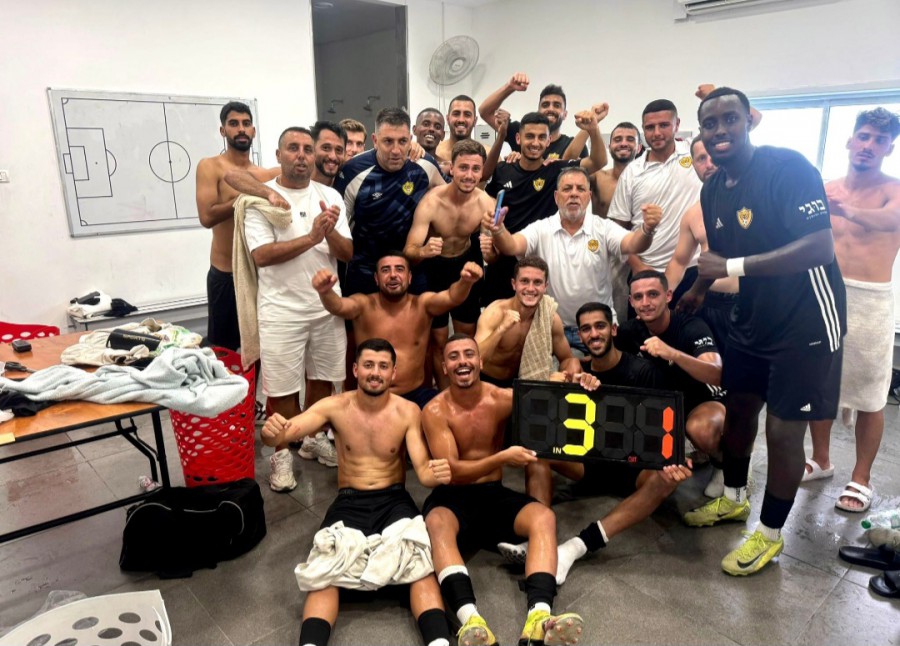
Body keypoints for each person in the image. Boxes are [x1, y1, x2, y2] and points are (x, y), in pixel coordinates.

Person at [683, 87, 846, 577]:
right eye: (710, 124)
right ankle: (734, 499)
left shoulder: (787, 168)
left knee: (782, 429)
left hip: (806, 321)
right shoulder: (714, 187)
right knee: (739, 411)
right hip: (753, 317)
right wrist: (697, 289)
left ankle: (770, 532)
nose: (720, 131)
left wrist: (729, 267)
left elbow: (819, 247)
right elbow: (718, 254)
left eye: (729, 119)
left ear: (749, 121)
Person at [261, 338, 455, 646]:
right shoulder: (334, 406)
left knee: (420, 564)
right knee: (323, 571)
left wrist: (436, 474)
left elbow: (422, 470)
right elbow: (287, 432)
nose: (375, 372)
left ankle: (439, 643)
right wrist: (272, 433)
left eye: (383, 366)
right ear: (355, 369)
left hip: (394, 499)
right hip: (349, 500)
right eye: (368, 365)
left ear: (393, 372)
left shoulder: (408, 411)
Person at [497, 302, 692, 584]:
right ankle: (537, 539)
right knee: (535, 451)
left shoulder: (644, 371)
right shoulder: (579, 373)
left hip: (633, 470)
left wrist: (675, 458)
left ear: (613, 329)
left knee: (666, 479)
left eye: (600, 326)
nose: (594, 334)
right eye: (586, 329)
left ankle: (577, 546)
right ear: (579, 335)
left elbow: (666, 428)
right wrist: (557, 385)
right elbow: (543, 418)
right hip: (588, 465)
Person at [422, 334, 587, 646]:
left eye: (469, 354)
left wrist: (580, 383)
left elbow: (554, 403)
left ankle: (539, 617)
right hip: (453, 496)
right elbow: (452, 471)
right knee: (437, 523)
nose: (462, 362)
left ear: (480, 361)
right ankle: (471, 621)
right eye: (453, 357)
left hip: (492, 494)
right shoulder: (435, 411)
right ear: (444, 367)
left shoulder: (503, 398)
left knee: (543, 517)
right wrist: (502, 457)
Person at [244, 126, 353, 492]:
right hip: (281, 311)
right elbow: (262, 255)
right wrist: (311, 237)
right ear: (278, 155)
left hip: (325, 308)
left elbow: (346, 253)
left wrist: (329, 231)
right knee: (282, 390)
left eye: (308, 148)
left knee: (323, 379)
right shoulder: (262, 199)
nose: (302, 155)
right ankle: (281, 456)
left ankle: (311, 438)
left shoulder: (329, 195)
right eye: (293, 148)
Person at [804, 108, 900, 512]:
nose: (869, 145)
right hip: (824, 292)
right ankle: (821, 459)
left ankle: (861, 477)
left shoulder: (893, 190)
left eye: (879, 140)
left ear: (889, 148)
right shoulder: (827, 187)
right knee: (819, 383)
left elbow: (891, 220)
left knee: (870, 394)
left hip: (870, 300)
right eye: (864, 136)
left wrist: (845, 210)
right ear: (850, 140)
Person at [483, 166, 659, 353]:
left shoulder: (603, 228)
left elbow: (634, 244)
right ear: (556, 197)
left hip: (597, 327)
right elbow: (512, 246)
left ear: (588, 196)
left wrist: (647, 229)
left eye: (580, 189)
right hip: (553, 328)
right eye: (567, 189)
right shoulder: (541, 228)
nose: (574, 194)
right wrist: (499, 230)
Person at [312, 252, 483, 409]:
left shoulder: (423, 305)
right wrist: (325, 293)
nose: (393, 275)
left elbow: (452, 297)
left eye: (399, 269)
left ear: (409, 277)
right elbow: (339, 306)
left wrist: (465, 281)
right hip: (371, 395)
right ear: (376, 278)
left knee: (445, 412)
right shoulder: (363, 305)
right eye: (385, 270)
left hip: (415, 396)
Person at [613, 270, 726, 495]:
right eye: (638, 297)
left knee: (701, 429)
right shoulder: (628, 331)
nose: (646, 303)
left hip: (702, 400)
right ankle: (694, 449)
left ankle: (730, 463)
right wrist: (574, 367)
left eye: (653, 294)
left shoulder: (692, 326)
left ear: (668, 296)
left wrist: (672, 353)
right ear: (631, 302)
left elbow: (717, 374)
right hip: (664, 405)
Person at [481, 110, 607, 304]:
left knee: (542, 319)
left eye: (541, 137)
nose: (535, 142)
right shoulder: (502, 170)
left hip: (542, 264)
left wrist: (593, 129)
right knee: (499, 318)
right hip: (504, 262)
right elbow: (490, 209)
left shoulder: (556, 170)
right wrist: (488, 242)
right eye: (530, 136)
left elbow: (599, 161)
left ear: (548, 141)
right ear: (518, 138)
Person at [403, 140, 495, 386]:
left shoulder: (486, 203)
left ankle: (465, 392)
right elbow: (409, 251)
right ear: (451, 168)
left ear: (482, 172)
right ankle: (443, 394)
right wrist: (423, 250)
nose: (469, 175)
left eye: (475, 169)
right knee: (438, 339)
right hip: (435, 269)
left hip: (465, 264)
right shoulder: (432, 202)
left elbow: (492, 255)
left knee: (467, 337)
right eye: (463, 168)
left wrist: (490, 251)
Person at [334, 107, 446, 296]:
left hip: (410, 267)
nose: (396, 150)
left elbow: (449, 198)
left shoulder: (424, 164)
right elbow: (339, 228)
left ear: (410, 139)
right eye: (388, 141)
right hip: (364, 268)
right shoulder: (353, 170)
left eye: (402, 141)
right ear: (375, 140)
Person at [195, 101, 278, 350]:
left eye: (246, 123)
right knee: (225, 351)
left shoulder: (264, 174)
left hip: (258, 275)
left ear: (253, 131)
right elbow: (207, 217)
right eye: (233, 124)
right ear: (223, 130)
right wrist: (246, 196)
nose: (241, 129)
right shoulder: (210, 166)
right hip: (226, 274)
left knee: (261, 347)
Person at [606, 99, 703, 299]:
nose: (657, 133)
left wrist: (711, 96)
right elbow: (616, 232)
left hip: (693, 269)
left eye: (664, 125)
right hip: (646, 272)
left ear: (677, 124)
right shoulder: (632, 172)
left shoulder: (695, 154)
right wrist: (638, 267)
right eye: (650, 127)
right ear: (643, 130)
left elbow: (745, 123)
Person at [668, 136, 739, 353]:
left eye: (713, 156)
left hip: (750, 301)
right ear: (693, 165)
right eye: (701, 158)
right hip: (709, 302)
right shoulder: (692, 214)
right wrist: (662, 297)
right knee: (711, 367)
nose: (709, 164)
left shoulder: (751, 199)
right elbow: (678, 263)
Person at [475, 256, 580, 387]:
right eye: (524, 281)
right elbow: (475, 359)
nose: (530, 288)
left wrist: (567, 375)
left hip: (525, 384)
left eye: (537, 282)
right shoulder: (495, 313)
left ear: (545, 286)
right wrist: (501, 329)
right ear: (514, 284)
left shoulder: (550, 317)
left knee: (575, 362)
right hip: (487, 382)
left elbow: (567, 359)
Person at [479, 73, 588, 160]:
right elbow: (484, 112)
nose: (550, 109)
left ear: (565, 114)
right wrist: (509, 87)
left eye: (557, 105)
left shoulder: (574, 145)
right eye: (545, 105)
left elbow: (588, 175)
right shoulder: (521, 131)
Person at [590, 121, 642, 218]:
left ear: (639, 148)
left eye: (630, 139)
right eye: (617, 140)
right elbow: (567, 170)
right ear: (609, 148)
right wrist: (590, 127)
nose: (623, 144)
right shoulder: (597, 178)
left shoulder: (648, 180)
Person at [434, 95, 486, 163]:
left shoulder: (487, 154)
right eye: (456, 114)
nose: (461, 120)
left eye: (467, 115)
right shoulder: (435, 151)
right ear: (447, 119)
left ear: (475, 121)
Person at [310, 120, 347, 186]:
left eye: (338, 150)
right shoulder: (296, 185)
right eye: (326, 148)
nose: (333, 156)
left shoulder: (347, 188)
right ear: (312, 148)